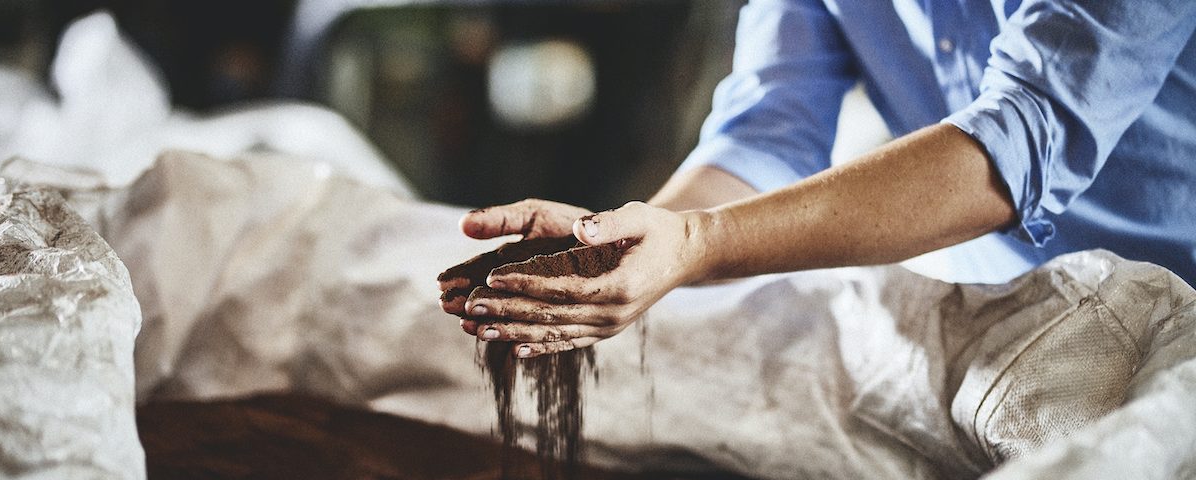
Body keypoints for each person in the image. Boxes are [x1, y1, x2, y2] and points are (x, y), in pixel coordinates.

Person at [440, 0, 1196, 358]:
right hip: (1001, 324)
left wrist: (702, 243)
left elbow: (1019, 141)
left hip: (1180, 331)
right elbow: (768, 132)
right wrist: (629, 241)